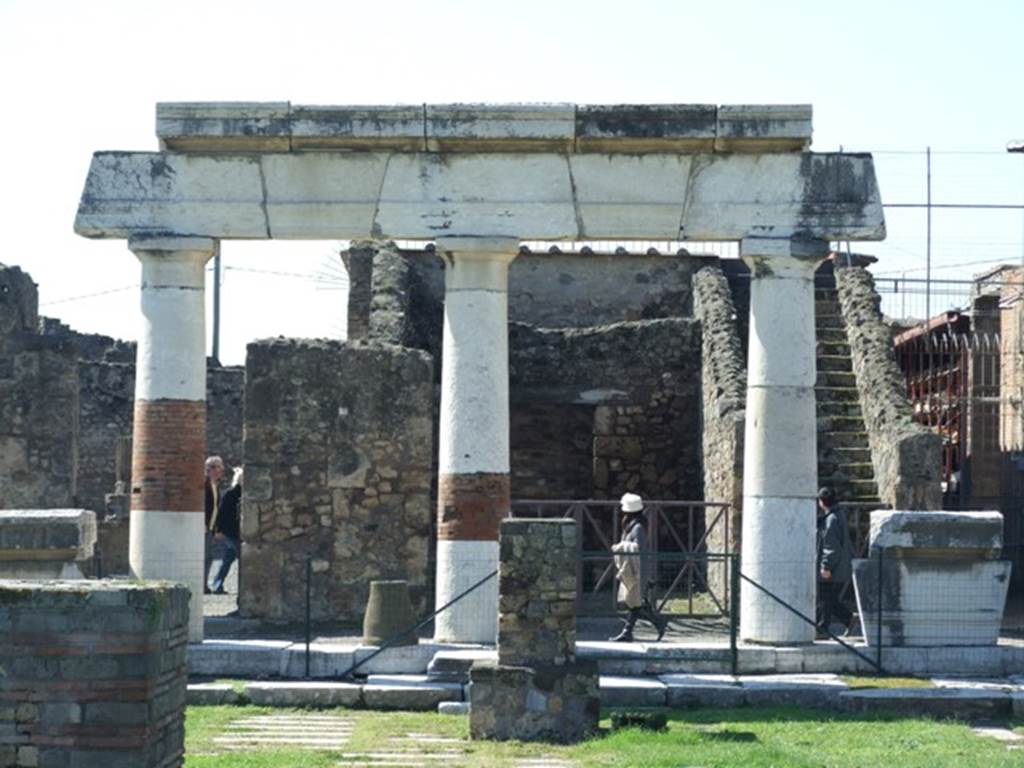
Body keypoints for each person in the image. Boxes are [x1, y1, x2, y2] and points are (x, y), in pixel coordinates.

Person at [609, 492, 668, 642]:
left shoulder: (638, 528)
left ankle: (628, 632)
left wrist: (621, 546)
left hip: (637, 571)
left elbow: (639, 550)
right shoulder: (632, 527)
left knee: (633, 603)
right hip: (633, 569)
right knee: (635, 603)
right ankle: (656, 623)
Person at [816, 486, 854, 637]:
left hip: (833, 568)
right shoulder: (838, 515)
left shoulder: (831, 520)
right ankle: (822, 627)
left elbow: (831, 546)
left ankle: (848, 619)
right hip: (840, 565)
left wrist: (826, 566)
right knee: (827, 599)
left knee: (828, 598)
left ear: (822, 502)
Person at [209, 466, 242, 595]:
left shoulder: (233, 493)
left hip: (233, 532)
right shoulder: (231, 494)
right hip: (231, 532)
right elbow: (222, 513)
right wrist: (220, 530)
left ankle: (217, 584)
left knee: (228, 560)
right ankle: (217, 584)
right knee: (238, 558)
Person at [203, 456, 225, 595]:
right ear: (210, 469)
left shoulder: (216, 485)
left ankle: (204, 584)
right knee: (204, 556)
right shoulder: (204, 485)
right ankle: (201, 584)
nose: (221, 470)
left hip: (211, 528)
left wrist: (216, 528)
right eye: (218, 467)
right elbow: (203, 505)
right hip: (204, 527)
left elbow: (216, 508)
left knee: (209, 556)